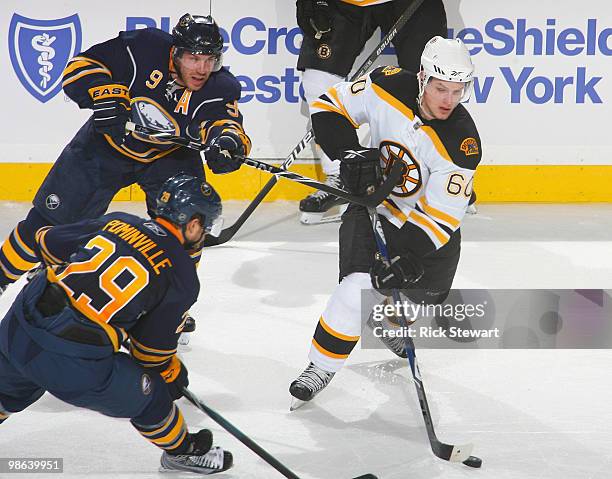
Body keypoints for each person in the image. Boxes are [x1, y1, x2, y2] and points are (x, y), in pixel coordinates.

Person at [0, 13, 251, 336]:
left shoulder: (221, 86)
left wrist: (227, 143)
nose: (202, 69)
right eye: (193, 58)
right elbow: (81, 67)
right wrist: (105, 95)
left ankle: (169, 309)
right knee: (46, 223)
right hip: (104, 147)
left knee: (188, 225)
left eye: (209, 60)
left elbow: (228, 126)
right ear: (175, 52)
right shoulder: (142, 48)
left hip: (168, 157)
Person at [289, 36, 482, 406]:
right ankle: (320, 366)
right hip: (372, 206)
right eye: (441, 88)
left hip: (425, 228)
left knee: (418, 301)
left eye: (457, 91)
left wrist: (406, 261)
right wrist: (350, 153)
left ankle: (391, 323)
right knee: (357, 288)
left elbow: (441, 215)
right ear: (423, 77)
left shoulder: (462, 142)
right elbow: (329, 103)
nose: (448, 100)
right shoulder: (386, 84)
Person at [0, 174, 234, 474]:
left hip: (17, 328)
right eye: (205, 227)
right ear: (192, 224)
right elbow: (150, 354)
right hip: (71, 364)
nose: (203, 235)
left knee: (8, 389)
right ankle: (183, 452)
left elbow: (46, 241)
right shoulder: (183, 276)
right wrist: (171, 372)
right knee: (153, 397)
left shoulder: (119, 220)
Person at [296, 0, 447, 224]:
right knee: (318, 81)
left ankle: (438, 176)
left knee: (431, 79)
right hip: (344, 3)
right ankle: (342, 177)